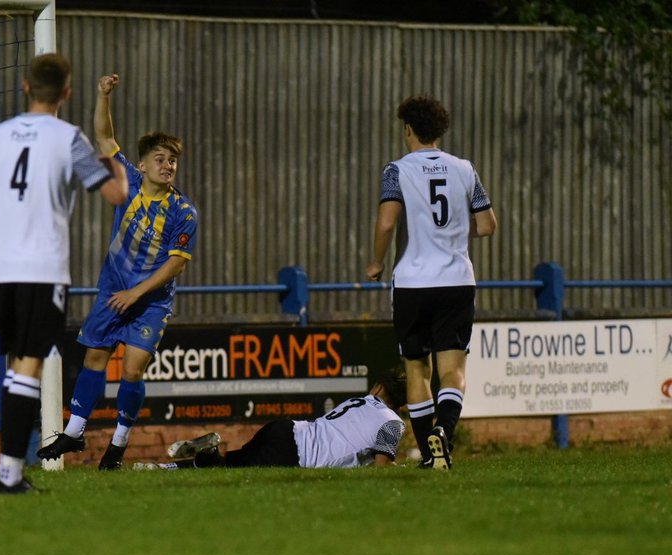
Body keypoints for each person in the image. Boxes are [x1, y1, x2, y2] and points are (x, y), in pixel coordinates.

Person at [0, 53, 128, 494]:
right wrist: (113, 155)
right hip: (43, 266)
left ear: (25, 86)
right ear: (67, 93)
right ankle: (9, 474)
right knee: (29, 364)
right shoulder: (69, 138)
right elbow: (115, 193)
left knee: (18, 362)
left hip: (3, 264)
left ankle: (10, 471)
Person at [36, 73, 198, 471]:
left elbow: (176, 264)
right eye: (159, 159)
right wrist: (102, 96)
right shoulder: (125, 183)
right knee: (94, 358)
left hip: (151, 302)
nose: (167, 165)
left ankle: (119, 443)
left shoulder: (184, 211)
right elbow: (106, 140)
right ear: (142, 165)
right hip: (113, 292)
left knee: (131, 368)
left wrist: (137, 294)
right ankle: (74, 432)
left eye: (172, 160)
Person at [365, 95, 497, 471]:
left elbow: (387, 222)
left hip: (412, 283)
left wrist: (376, 262)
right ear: (439, 130)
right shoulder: (464, 169)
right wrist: (455, 231)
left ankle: (428, 454)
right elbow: (487, 225)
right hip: (457, 281)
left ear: (407, 128)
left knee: (416, 370)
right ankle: (445, 432)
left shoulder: (397, 170)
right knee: (452, 370)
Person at [136, 370, 408, 470]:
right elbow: (383, 466)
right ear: (403, 404)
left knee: (230, 462)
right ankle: (203, 455)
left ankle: (162, 467)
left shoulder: (358, 401)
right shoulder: (393, 423)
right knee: (229, 465)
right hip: (297, 455)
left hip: (287, 429)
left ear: (378, 388)